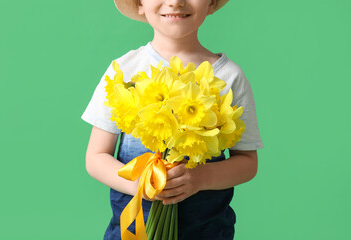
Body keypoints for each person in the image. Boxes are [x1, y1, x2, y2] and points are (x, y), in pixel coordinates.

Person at [81, 0, 263, 239]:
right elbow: (96, 158)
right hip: (134, 232)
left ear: (211, 3)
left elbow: (247, 162)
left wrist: (200, 178)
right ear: (139, 4)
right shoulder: (124, 72)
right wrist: (139, 184)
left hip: (207, 232)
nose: (176, 1)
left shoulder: (228, 77)